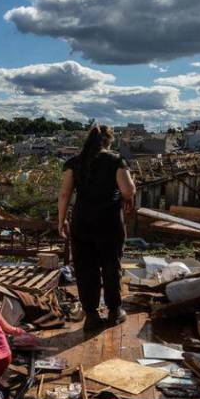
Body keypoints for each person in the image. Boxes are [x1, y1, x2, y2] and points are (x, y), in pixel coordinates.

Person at [58, 125, 136, 331]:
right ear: (108, 141)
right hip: (108, 221)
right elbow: (128, 190)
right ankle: (114, 311)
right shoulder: (115, 161)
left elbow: (65, 194)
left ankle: (91, 316)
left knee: (85, 268)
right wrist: (127, 195)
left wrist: (61, 220)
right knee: (111, 265)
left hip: (81, 222)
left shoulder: (74, 163)